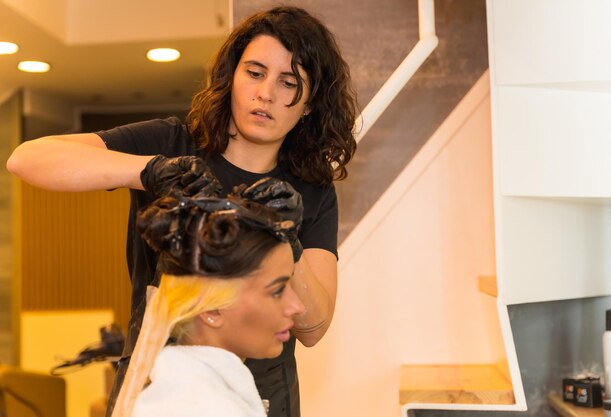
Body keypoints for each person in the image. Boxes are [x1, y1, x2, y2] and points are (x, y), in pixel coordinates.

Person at [6, 6, 358, 417]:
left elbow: (313, 327)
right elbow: (26, 159)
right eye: (255, 72)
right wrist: (151, 171)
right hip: (159, 381)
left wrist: (286, 240)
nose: (266, 94)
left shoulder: (311, 189)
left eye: (289, 82)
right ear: (231, 77)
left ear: (310, 103)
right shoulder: (173, 144)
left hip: (262, 393)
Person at [113, 179, 305, 417]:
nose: (297, 306)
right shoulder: (198, 407)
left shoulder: (195, 395)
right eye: (277, 291)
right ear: (212, 309)